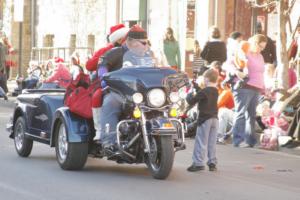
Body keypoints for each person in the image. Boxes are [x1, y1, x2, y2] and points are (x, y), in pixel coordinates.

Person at [96, 25, 151, 146]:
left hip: (144, 93)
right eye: (143, 43)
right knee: (110, 102)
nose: (146, 46)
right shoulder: (116, 52)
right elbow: (102, 65)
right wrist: (104, 78)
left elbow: (157, 68)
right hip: (120, 92)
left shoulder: (148, 56)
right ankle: (109, 141)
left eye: (147, 43)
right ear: (131, 42)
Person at [89, 24, 129, 142]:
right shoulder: (107, 50)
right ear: (119, 39)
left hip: (131, 85)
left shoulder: (137, 51)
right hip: (108, 83)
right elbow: (91, 65)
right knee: (98, 96)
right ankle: (100, 130)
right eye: (126, 38)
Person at [231, 34, 267, 148]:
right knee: (241, 113)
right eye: (260, 46)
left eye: (263, 47)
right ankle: (238, 140)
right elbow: (229, 64)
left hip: (256, 88)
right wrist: (237, 72)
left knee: (251, 115)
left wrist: (263, 87)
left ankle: (250, 140)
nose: (261, 49)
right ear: (255, 43)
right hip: (245, 86)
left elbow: (261, 73)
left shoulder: (260, 56)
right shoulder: (244, 51)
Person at [186, 68, 219, 172]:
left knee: (201, 140)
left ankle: (198, 163)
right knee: (212, 142)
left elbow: (192, 101)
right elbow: (205, 94)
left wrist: (189, 95)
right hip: (215, 119)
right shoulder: (216, 91)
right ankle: (212, 163)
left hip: (205, 119)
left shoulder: (204, 91)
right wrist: (197, 88)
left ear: (206, 79)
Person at [0, 32, 8, 100]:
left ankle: (3, 93)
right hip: (2, 67)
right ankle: (3, 93)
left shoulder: (2, 47)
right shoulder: (2, 46)